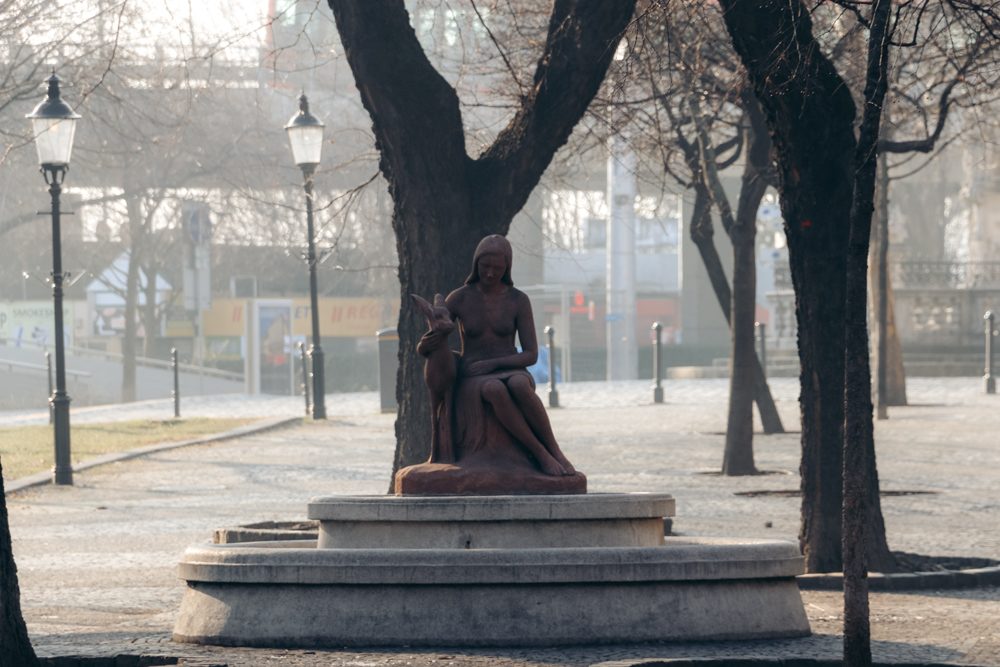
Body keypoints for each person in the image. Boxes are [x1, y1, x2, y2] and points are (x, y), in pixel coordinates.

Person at [446, 235, 576, 476]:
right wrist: (430, 340)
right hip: (474, 374)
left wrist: (492, 364)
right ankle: (540, 453)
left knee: (518, 385)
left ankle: (555, 450)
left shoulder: (518, 300)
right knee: (494, 389)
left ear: (507, 268)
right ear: (476, 265)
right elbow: (436, 334)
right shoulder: (459, 298)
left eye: (498, 268)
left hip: (511, 367)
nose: (491, 273)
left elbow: (531, 355)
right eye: (486, 267)